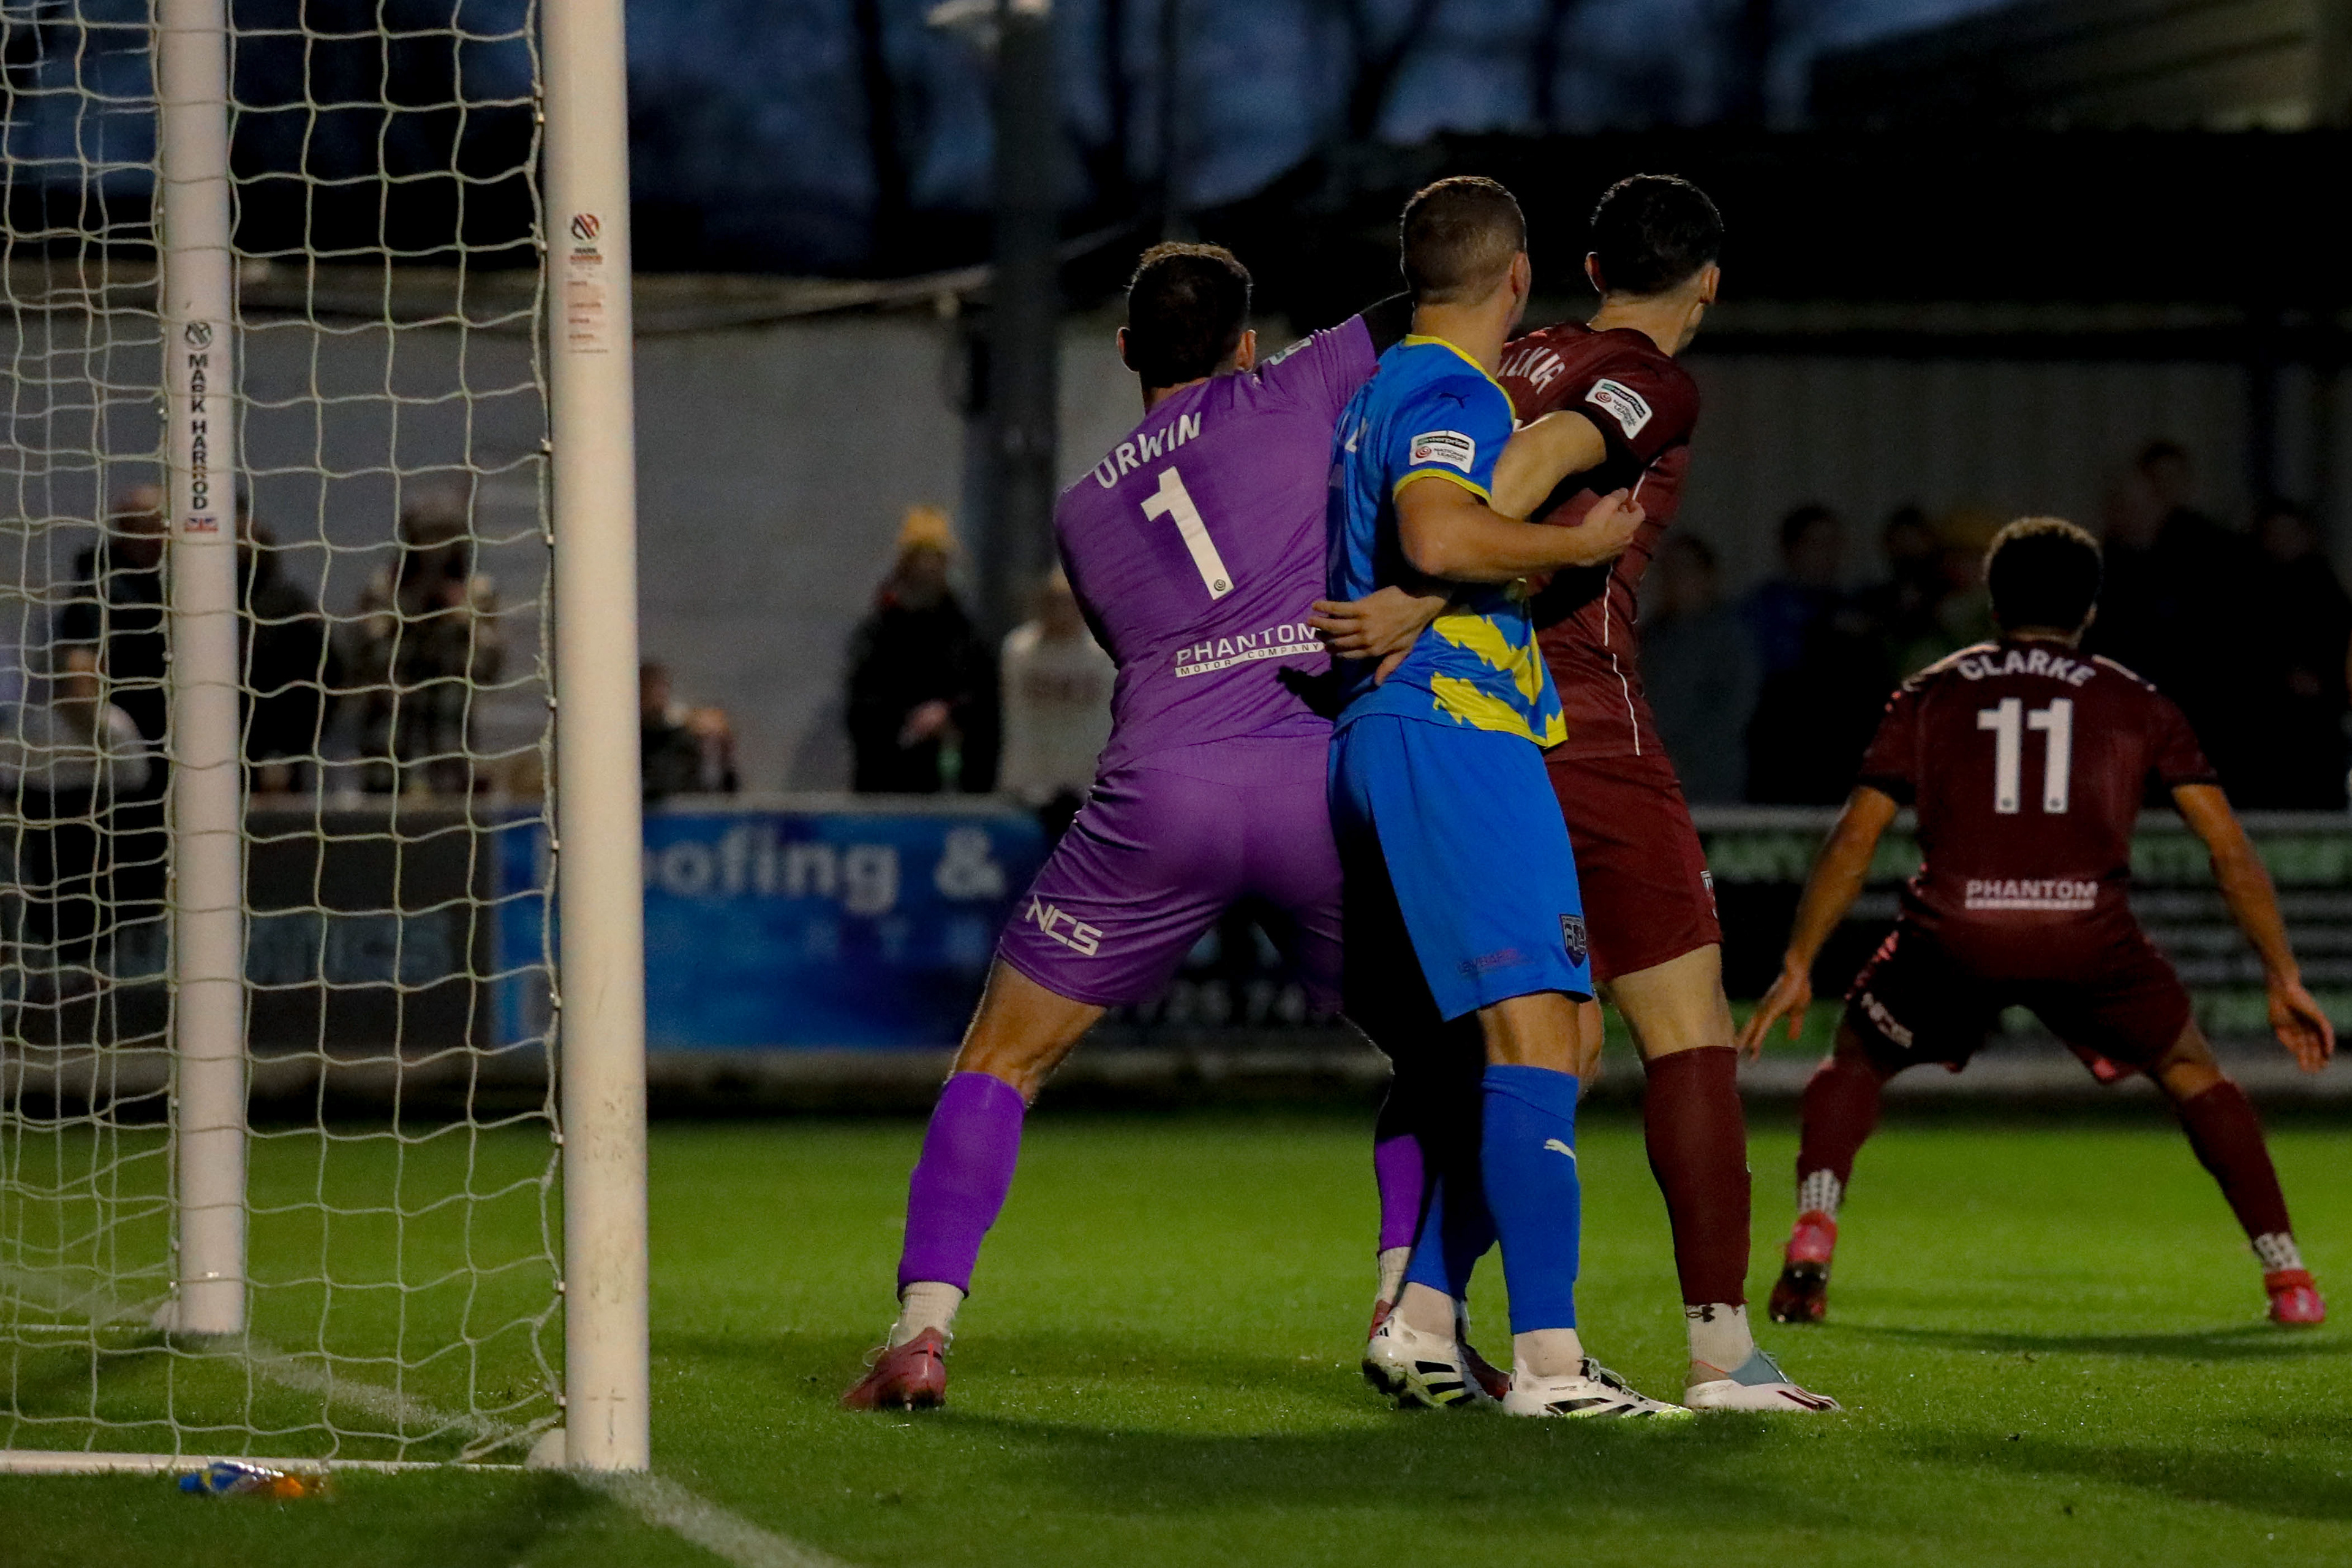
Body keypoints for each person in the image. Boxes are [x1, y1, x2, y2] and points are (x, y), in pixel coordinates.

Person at [840, 243, 1424, 1411]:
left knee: (1000, 1059)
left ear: (1124, 354)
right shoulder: (1296, 386)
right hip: (1316, 777)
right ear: (1247, 343)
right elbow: (1431, 299)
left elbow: (1145, 644)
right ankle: (1412, 1320)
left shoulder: (1082, 511)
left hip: (1164, 792)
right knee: (1438, 1054)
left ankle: (920, 1333)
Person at [1319, 172, 1831, 1412]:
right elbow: (1533, 467)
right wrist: (1433, 585)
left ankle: (1428, 1313)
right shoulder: (1646, 374)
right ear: (1706, 280)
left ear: (1585, 266)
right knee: (1687, 1024)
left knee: (1547, 1041)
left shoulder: (1509, 347)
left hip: (1448, 717)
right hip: (1566, 716)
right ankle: (1721, 1352)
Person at [1741, 517, 2334, 1330]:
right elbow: (2226, 848)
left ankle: (1813, 1231)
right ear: (2091, 610)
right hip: (2087, 937)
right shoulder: (2137, 699)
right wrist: (2283, 975)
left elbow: (1855, 836)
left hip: (1953, 930)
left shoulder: (1929, 691)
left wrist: (1801, 960)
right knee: (2195, 1073)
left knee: (1856, 1061)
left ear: (1991, 603)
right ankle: (2288, 1276)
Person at [1324, 176, 1684, 1419]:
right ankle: (1550, 1359)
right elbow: (1438, 534)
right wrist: (1580, 548)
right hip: (1452, 728)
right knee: (1537, 1038)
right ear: (1519, 279)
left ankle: (1423, 1319)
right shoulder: (1444, 389)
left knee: (1561, 1043)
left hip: (1424, 729)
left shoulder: (1377, 388)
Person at [1, 646, 151, 998]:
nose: (83, 688)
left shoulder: (115, 724)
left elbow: (138, 777)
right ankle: (43, 971)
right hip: (42, 830)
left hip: (98, 832)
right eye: (75, 680)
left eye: (90, 679)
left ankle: (100, 967)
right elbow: (8, 778)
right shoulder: (35, 726)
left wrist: (94, 738)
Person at [349, 492, 503, 795]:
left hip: (450, 687)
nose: (436, 549)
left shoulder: (477, 591)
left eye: (445, 538)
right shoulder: (385, 586)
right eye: (428, 537)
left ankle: (450, 777)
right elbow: (367, 653)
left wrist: (458, 619)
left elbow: (488, 662)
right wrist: (405, 617)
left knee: (449, 717)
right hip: (397, 687)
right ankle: (384, 779)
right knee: (386, 737)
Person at [844, 507, 1000, 794]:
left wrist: (950, 715)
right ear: (904, 566)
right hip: (886, 788)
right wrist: (909, 722)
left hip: (956, 794)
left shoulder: (968, 634)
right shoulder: (876, 635)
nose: (927, 570)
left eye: (935, 561)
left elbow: (988, 701)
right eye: (919, 560)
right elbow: (860, 708)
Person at [1744, 503, 1888, 804]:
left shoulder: (1856, 609)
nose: (1827, 554)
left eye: (1833, 544)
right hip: (1785, 754)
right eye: (1816, 543)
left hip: (1840, 762)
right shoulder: (1763, 608)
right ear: (1791, 548)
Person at [2238, 499, 2350, 809]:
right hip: (2263, 737)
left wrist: (2324, 685)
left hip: (2316, 737)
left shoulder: (2330, 598)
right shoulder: (2248, 596)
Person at [1634, 535, 1756, 804]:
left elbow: (1735, 710)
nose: (1675, 578)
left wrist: (1682, 755)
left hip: (1711, 779)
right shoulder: (1648, 639)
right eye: (1669, 570)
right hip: (1651, 775)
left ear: (1708, 575)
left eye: (1685, 568)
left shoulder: (1731, 638)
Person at [997, 568, 1115, 843]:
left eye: (1069, 601)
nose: (1061, 610)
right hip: (1028, 784)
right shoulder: (1019, 650)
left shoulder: (1102, 654)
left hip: (1087, 785)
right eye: (1054, 601)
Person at [239, 512, 341, 794]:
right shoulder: (199, 608)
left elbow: (327, 673)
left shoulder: (288, 606)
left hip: (277, 744)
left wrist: (293, 745)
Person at [640, 662, 740, 802]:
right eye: (651, 690)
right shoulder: (637, 740)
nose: (659, 697)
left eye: (663, 689)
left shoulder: (678, 737)